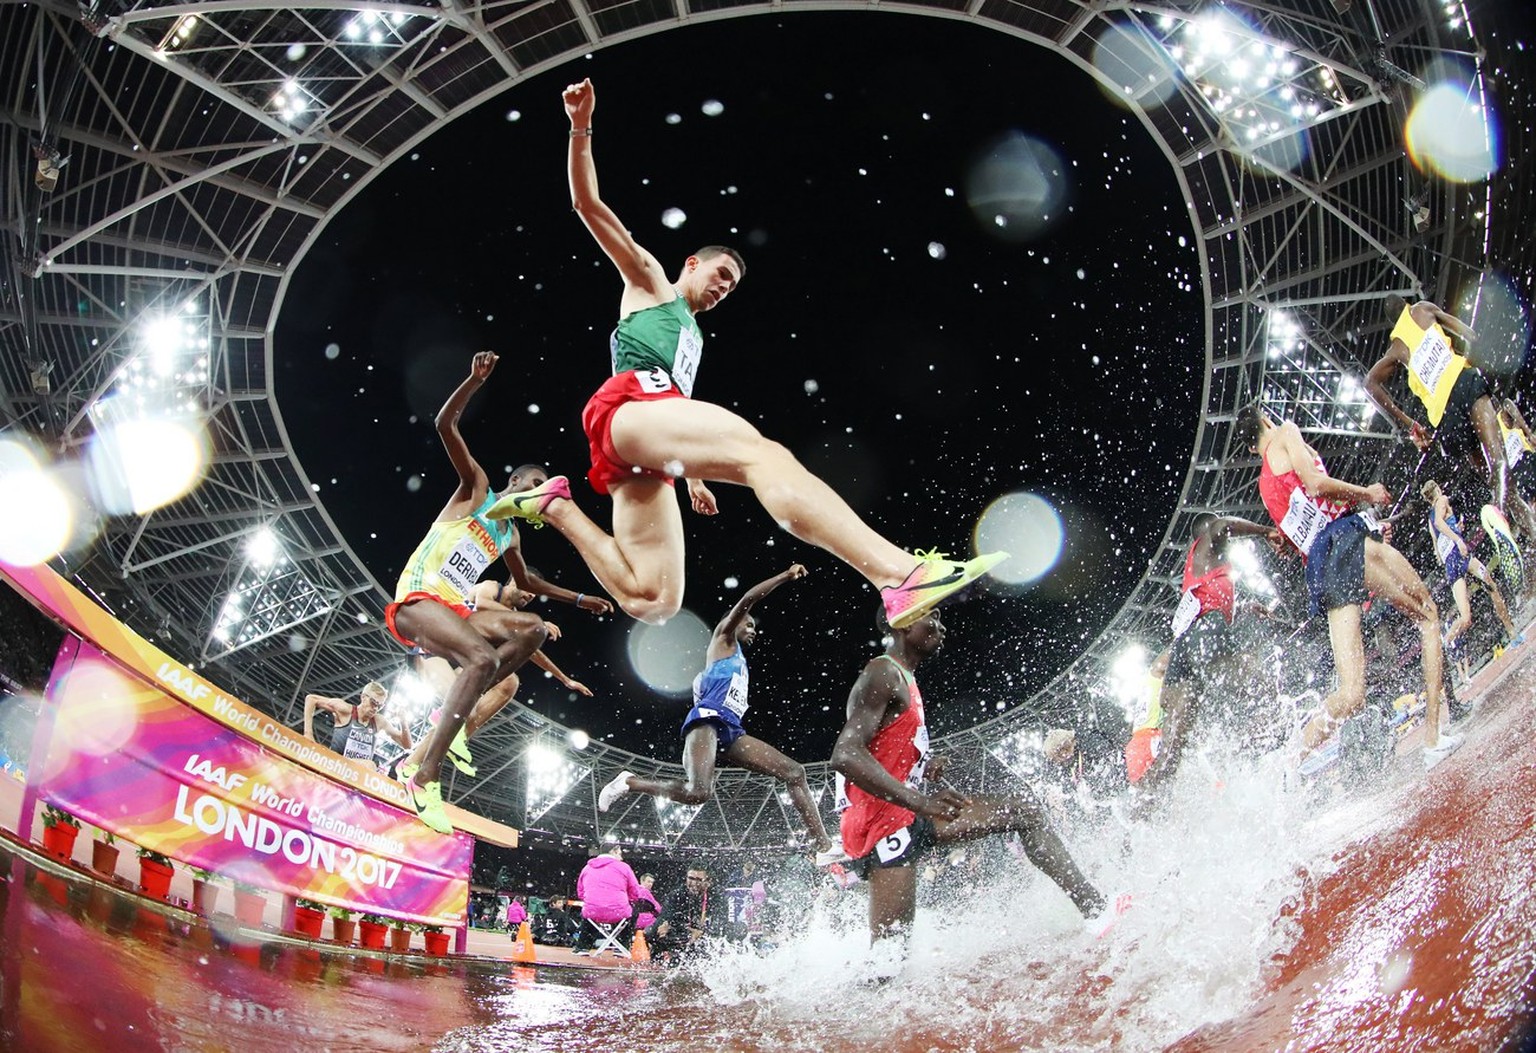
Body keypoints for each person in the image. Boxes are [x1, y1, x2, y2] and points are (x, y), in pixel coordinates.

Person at [482, 78, 1007, 632]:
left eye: (731, 288)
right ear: (691, 263)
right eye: (720, 275)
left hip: (645, 441)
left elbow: (675, 408)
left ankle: (555, 505)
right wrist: (580, 124)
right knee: (765, 457)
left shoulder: (693, 337)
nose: (723, 288)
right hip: (626, 408)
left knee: (654, 599)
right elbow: (586, 204)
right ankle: (898, 575)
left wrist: (694, 477)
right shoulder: (651, 282)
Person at [384, 351, 612, 833]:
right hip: (418, 601)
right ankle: (421, 774)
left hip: (457, 613)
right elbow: (447, 425)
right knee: (483, 662)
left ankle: (457, 712)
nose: (537, 503)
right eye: (533, 489)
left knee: (532, 631)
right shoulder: (478, 491)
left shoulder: (511, 536)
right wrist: (471, 381)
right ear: (515, 484)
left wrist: (577, 599)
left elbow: (526, 583)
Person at [830, 605, 1120, 948]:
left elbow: (883, 750)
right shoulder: (883, 672)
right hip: (882, 825)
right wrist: (922, 800)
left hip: (906, 813)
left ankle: (1097, 910)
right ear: (905, 625)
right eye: (931, 618)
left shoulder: (904, 677)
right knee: (889, 961)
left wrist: (923, 765)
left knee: (1025, 811)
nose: (941, 626)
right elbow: (846, 754)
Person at [1239, 403, 1458, 769]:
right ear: (1265, 420)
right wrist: (1368, 493)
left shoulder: (1264, 486)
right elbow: (1316, 484)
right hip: (1342, 542)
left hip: (1322, 568)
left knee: (1352, 693)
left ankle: (1287, 765)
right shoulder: (1285, 432)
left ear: (1249, 448)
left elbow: (1301, 530)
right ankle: (1433, 737)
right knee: (1429, 615)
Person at [596, 565, 846, 865]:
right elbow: (748, 599)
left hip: (731, 729)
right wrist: (783, 577)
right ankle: (630, 782)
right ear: (735, 620)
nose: (753, 630)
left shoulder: (740, 660)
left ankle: (822, 846)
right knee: (698, 792)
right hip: (707, 722)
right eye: (749, 624)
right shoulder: (723, 640)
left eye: (754, 627)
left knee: (795, 772)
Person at [1364, 296, 1536, 548]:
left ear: (1392, 325)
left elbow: (1369, 384)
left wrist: (1410, 424)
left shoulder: (1396, 349)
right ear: (1405, 304)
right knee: (1499, 461)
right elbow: (1469, 334)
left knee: (1492, 479)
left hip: (1445, 417)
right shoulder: (1423, 309)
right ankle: (1499, 515)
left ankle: (1524, 530)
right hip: (1463, 383)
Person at [1131, 513, 1280, 801]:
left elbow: (1205, 609)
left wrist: (1246, 607)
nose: (1224, 535)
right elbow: (1223, 524)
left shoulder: (1201, 569)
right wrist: (1265, 531)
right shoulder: (1208, 541)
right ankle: (1252, 746)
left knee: (1171, 753)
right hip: (1204, 636)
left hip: (1184, 649)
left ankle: (1137, 817)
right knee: (1265, 690)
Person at [395, 578, 593, 782]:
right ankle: (452, 727)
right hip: (430, 653)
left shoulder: (512, 618)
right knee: (461, 711)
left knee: (508, 683)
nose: (529, 597)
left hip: (459, 662)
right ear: (515, 581)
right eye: (528, 592)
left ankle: (416, 761)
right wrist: (535, 623)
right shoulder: (491, 588)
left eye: (532, 598)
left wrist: (564, 679)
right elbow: (481, 602)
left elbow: (531, 650)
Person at [1420, 479, 1518, 679]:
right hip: (1461, 554)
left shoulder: (1429, 520)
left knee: (1466, 618)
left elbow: (1437, 550)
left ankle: (1445, 642)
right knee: (1492, 586)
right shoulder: (1442, 500)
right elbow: (1441, 522)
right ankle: (1511, 633)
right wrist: (1457, 539)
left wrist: (1456, 530)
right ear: (1437, 489)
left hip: (1452, 564)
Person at [302, 682, 410, 770]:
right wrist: (308, 734)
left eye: (380, 706)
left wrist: (403, 722)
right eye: (373, 702)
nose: (375, 708)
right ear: (363, 697)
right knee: (370, 765)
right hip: (335, 765)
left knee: (373, 767)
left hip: (356, 775)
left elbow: (407, 745)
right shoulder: (346, 710)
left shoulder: (379, 721)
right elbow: (311, 699)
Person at [574, 845, 643, 953]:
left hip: (592, 912)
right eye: (620, 853)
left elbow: (580, 892)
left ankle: (582, 946)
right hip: (618, 912)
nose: (622, 857)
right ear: (613, 851)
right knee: (633, 912)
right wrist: (629, 899)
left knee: (588, 913)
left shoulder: (587, 868)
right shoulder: (624, 867)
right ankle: (622, 946)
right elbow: (635, 891)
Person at [650, 866, 724, 959]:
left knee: (737, 929)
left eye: (699, 880)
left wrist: (702, 932)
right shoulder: (677, 894)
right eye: (691, 878)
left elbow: (719, 924)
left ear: (708, 882)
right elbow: (665, 916)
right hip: (684, 933)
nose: (694, 883)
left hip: (706, 936)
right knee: (652, 931)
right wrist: (665, 923)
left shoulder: (716, 897)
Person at [1123, 649, 1170, 785]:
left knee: (1145, 790)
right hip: (1148, 738)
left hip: (1137, 743)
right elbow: (1163, 662)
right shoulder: (1156, 673)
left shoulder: (1146, 686)